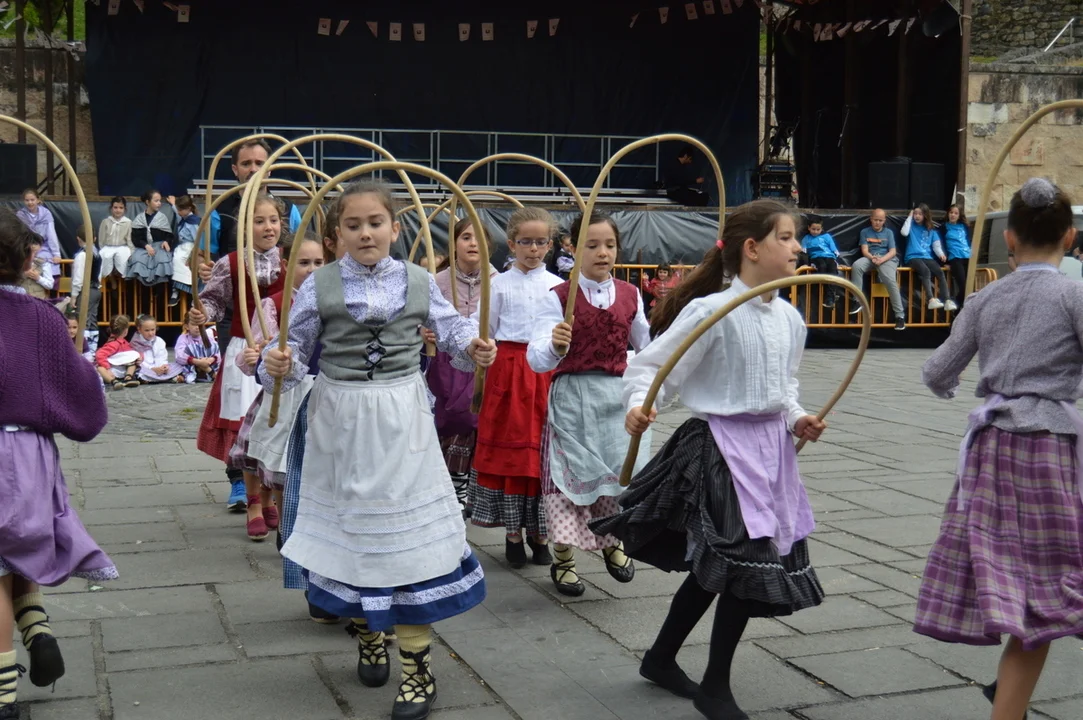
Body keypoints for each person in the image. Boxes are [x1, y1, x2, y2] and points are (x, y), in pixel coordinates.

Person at [259, 180, 497, 720]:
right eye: (353, 225)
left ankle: (417, 669)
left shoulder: (418, 280)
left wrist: (472, 345)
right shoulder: (319, 284)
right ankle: (368, 631)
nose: (365, 233)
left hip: (402, 419)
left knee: (405, 541)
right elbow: (292, 350)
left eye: (375, 223)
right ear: (337, 233)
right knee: (353, 534)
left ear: (394, 227)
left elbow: (453, 329)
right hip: (339, 420)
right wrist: (276, 363)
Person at [590, 200, 826, 720]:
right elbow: (651, 368)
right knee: (743, 561)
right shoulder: (710, 311)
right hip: (720, 448)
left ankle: (661, 658)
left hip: (772, 453)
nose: (797, 247)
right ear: (752, 248)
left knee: (722, 563)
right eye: (787, 237)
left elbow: (784, 387)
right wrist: (638, 405)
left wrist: (797, 418)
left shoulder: (789, 317)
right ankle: (715, 687)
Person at [915, 178, 1083, 720]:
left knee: (1014, 573)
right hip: (1048, 451)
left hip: (990, 449)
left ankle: (1008, 694)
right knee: (1048, 585)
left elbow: (937, 372)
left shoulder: (986, 297)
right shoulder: (1073, 295)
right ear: (1071, 237)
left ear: (1009, 238)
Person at [0, 209, 116, 720]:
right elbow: (83, 405)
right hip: (30, 455)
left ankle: (2, 693)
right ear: (27, 258)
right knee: (15, 548)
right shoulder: (43, 318)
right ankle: (37, 628)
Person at [527, 211, 652, 596]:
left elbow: (648, 350)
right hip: (573, 398)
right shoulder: (559, 298)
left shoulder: (631, 295)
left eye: (609, 245)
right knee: (568, 481)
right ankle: (563, 559)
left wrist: (648, 391)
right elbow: (536, 358)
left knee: (615, 477)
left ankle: (613, 543)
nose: (603, 253)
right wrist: (554, 346)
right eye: (592, 245)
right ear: (573, 248)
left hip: (615, 399)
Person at [470, 207, 561, 569]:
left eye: (541, 242)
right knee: (512, 454)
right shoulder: (498, 284)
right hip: (507, 373)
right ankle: (512, 534)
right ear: (511, 244)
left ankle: (541, 534)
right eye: (526, 242)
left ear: (550, 245)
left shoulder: (558, 286)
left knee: (542, 453)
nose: (533, 249)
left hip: (545, 371)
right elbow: (484, 329)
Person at [189, 193, 287, 513]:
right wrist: (204, 312)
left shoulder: (290, 259)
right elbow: (214, 300)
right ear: (245, 228)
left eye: (273, 220)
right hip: (245, 348)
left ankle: (272, 487)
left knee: (276, 419)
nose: (268, 227)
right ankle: (239, 483)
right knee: (241, 418)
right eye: (259, 221)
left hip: (282, 351)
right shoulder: (230, 263)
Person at [230, 235, 325, 541]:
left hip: (321, 389)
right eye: (304, 263)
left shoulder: (333, 300)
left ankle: (309, 527)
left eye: (319, 262)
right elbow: (254, 356)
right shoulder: (276, 304)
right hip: (285, 393)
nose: (312, 269)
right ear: (286, 265)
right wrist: (257, 357)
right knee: (282, 461)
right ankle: (279, 520)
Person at [423, 219, 499, 517]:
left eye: (479, 238)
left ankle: (470, 489)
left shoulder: (498, 281)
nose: (473, 243)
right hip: (446, 365)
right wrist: (424, 332)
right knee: (451, 421)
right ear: (454, 243)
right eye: (466, 237)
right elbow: (422, 320)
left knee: (478, 422)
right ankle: (449, 487)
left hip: (486, 363)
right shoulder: (437, 281)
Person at [849, 208, 906, 330]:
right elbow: (864, 250)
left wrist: (882, 259)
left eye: (880, 220)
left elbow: (893, 252)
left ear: (884, 221)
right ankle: (857, 301)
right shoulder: (865, 232)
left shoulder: (889, 232)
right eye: (875, 220)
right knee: (857, 266)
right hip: (871, 257)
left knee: (890, 280)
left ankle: (899, 316)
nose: (877, 222)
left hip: (887, 259)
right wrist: (873, 257)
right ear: (871, 219)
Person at [902, 204, 955, 312]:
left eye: (920, 214)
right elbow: (904, 232)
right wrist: (909, 216)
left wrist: (941, 254)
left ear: (925, 215)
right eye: (915, 213)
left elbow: (936, 246)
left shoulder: (931, 230)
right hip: (913, 256)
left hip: (926, 256)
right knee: (925, 271)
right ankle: (931, 299)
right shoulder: (911, 225)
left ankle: (947, 300)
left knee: (940, 272)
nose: (917, 216)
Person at [126, 189, 174, 287]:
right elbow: (135, 238)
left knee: (161, 259)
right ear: (148, 202)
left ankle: (160, 291)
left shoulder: (162, 218)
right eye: (156, 201)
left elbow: (169, 235)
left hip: (159, 247)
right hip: (143, 247)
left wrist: (166, 241)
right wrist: (145, 245)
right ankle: (143, 292)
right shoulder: (139, 219)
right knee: (138, 259)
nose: (159, 203)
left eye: (160, 201)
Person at [15, 189, 62, 283]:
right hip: (26, 248)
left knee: (47, 262)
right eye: (27, 200)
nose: (30, 202)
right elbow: (19, 235)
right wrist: (29, 246)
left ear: (38, 200)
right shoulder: (20, 215)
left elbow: (51, 234)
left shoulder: (46, 214)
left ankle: (47, 286)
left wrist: (56, 254)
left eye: (32, 200)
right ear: (24, 201)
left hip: (44, 247)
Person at [70, 224, 103, 349]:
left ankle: (83, 348)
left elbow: (78, 278)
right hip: (96, 289)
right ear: (94, 239)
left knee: (82, 319)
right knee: (92, 320)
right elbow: (100, 273)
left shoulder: (82, 255)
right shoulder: (97, 254)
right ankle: (92, 349)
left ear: (78, 239)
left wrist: (74, 296)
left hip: (86, 290)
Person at [800, 215, 842, 309]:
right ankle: (828, 294)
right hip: (816, 257)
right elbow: (803, 252)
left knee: (833, 271)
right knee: (822, 267)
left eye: (818, 229)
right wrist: (807, 263)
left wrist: (837, 259)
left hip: (829, 257)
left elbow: (834, 248)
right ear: (809, 228)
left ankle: (831, 297)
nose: (815, 231)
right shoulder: (806, 239)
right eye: (813, 229)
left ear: (821, 228)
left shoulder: (827, 236)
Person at [129, 315, 185, 384]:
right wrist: (152, 369)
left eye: (152, 330)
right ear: (139, 329)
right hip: (146, 368)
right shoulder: (135, 343)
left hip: (158, 367)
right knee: (138, 372)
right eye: (147, 330)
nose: (150, 333)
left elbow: (162, 357)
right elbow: (139, 362)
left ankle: (164, 378)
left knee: (177, 366)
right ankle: (170, 378)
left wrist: (163, 367)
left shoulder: (159, 341)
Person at [168, 195, 201, 307]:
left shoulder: (193, 222)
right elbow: (177, 213)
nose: (178, 212)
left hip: (190, 247)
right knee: (172, 259)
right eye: (178, 209)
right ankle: (175, 290)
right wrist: (173, 204)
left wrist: (192, 256)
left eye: (180, 210)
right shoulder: (183, 218)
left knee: (179, 260)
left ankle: (189, 291)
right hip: (181, 246)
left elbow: (197, 240)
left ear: (189, 209)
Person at [94, 314, 141, 391]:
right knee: (100, 368)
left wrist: (139, 357)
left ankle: (127, 378)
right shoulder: (113, 343)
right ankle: (116, 381)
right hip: (112, 370)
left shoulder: (124, 343)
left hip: (120, 368)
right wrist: (107, 368)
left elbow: (131, 353)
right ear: (126, 331)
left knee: (132, 362)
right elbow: (99, 355)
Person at [940, 204, 972, 310]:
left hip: (968, 257)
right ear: (948, 213)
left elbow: (969, 241)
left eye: (956, 213)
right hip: (955, 258)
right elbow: (940, 245)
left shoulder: (964, 226)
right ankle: (956, 307)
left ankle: (960, 310)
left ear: (959, 215)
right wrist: (945, 262)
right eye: (951, 212)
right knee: (963, 286)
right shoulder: (943, 227)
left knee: (970, 287)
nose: (953, 215)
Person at [174, 311, 220, 384]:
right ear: (187, 326)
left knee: (215, 346)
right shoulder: (183, 338)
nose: (197, 327)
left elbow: (218, 352)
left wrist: (211, 360)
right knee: (190, 349)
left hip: (207, 363)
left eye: (200, 324)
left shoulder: (207, 337)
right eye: (194, 324)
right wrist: (197, 362)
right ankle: (210, 373)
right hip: (191, 364)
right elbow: (179, 355)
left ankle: (210, 372)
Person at [97, 196, 134, 279]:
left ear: (125, 209)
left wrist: (132, 251)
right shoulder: (105, 222)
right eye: (115, 207)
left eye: (121, 208)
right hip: (108, 247)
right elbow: (101, 238)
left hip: (122, 247)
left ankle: (122, 280)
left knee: (123, 259)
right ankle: (111, 280)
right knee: (104, 257)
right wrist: (103, 248)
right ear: (111, 208)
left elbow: (129, 239)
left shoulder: (128, 223)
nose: (118, 210)